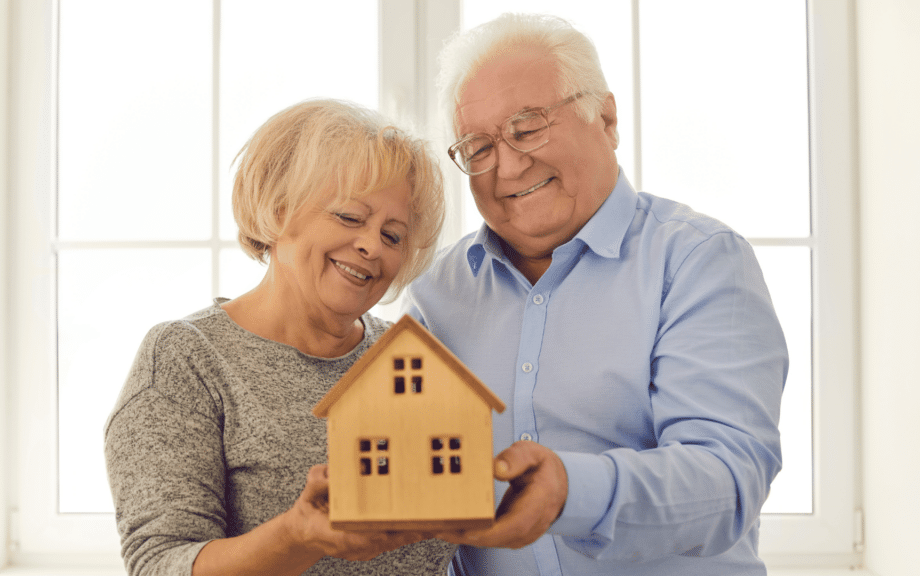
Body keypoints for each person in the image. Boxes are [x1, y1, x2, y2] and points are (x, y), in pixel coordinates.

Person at [403, 13, 788, 575]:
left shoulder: (697, 260)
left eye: (527, 126)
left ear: (605, 118)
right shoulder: (436, 294)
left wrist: (568, 492)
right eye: (478, 148)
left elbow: (726, 480)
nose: (508, 165)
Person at [104, 99, 456, 576]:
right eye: (350, 217)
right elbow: (160, 565)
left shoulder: (409, 360)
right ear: (277, 207)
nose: (372, 246)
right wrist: (295, 536)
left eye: (393, 236)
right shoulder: (187, 358)